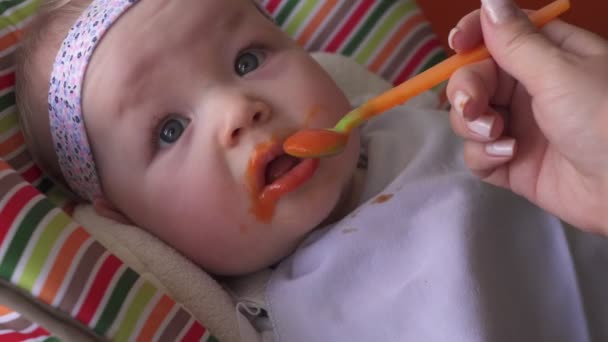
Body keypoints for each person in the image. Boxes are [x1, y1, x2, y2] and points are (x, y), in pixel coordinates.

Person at [14, 0, 608, 340]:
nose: (239, 110)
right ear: (130, 218)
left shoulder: (460, 122)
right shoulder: (266, 320)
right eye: (169, 131)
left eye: (249, 59)